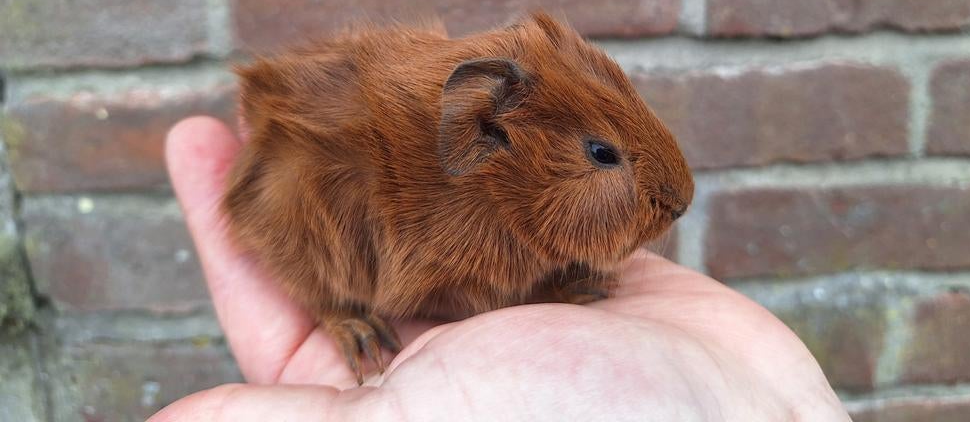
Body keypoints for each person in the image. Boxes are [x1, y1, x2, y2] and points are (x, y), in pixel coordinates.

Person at [150, 116, 852, 421]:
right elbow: (459, 283)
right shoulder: (461, 227)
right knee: (287, 197)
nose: (674, 200)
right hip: (317, 239)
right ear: (488, 134)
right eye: (605, 156)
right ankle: (335, 304)